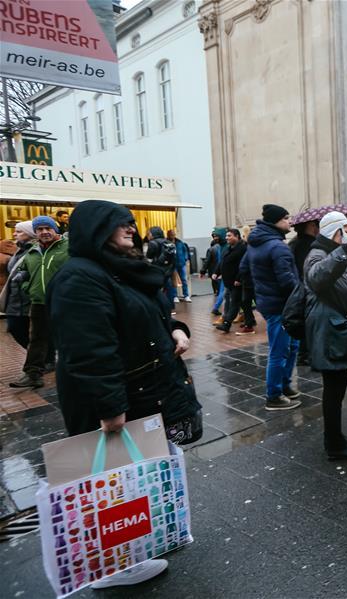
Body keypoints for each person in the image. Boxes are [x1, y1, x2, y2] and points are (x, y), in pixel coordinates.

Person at [46, 199, 202, 590]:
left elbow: (150, 314)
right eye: (120, 224)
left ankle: (135, 547)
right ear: (96, 230)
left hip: (146, 390)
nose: (130, 229)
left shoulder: (121, 270)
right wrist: (111, 407)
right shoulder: (80, 277)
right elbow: (89, 350)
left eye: (131, 223)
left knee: (134, 478)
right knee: (108, 483)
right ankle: (109, 567)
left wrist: (176, 329)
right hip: (118, 398)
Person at [304, 211, 347, 460]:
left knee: (337, 389)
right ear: (336, 233)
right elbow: (318, 277)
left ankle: (337, 436)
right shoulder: (318, 254)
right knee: (333, 391)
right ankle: (334, 444)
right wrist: (342, 253)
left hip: (338, 329)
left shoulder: (332, 253)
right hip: (329, 332)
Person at [244, 204, 302, 410]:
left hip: (269, 303)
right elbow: (287, 281)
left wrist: (259, 290)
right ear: (275, 221)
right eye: (286, 218)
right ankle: (274, 395)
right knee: (279, 351)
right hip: (281, 306)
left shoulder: (256, 242)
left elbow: (244, 270)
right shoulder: (277, 246)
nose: (290, 221)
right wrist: (300, 298)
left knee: (292, 346)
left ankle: (284, 386)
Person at [9, 216, 69, 389]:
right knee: (36, 339)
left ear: (55, 229)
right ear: (35, 232)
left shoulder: (68, 248)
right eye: (39, 229)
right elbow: (23, 272)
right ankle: (33, 374)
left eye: (47, 228)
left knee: (70, 336)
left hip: (64, 301)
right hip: (39, 302)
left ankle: (80, 372)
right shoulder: (33, 251)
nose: (44, 232)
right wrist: (28, 287)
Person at [1, 222, 35, 349]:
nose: (14, 234)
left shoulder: (36, 250)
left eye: (19, 231)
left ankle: (43, 360)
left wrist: (24, 280)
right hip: (14, 300)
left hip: (28, 300)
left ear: (30, 233)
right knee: (16, 330)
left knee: (33, 334)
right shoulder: (18, 250)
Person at [290, 219, 319, 364]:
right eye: (315, 224)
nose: (317, 227)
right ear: (309, 226)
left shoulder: (295, 242)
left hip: (299, 287)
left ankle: (304, 353)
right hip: (305, 287)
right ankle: (304, 355)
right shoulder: (307, 244)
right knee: (307, 320)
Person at [215, 228, 249, 333]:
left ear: (237, 236)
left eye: (229, 236)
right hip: (228, 282)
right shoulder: (228, 248)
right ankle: (250, 321)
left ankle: (226, 324)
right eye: (226, 236)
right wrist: (216, 272)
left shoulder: (243, 248)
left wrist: (238, 279)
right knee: (243, 303)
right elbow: (222, 262)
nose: (226, 238)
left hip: (237, 282)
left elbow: (244, 265)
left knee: (234, 303)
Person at [146, 227, 177, 306]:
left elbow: (149, 257)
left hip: (157, 270)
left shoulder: (152, 243)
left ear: (153, 234)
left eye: (149, 233)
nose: (148, 235)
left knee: (157, 290)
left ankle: (160, 306)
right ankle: (170, 306)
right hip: (168, 270)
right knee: (169, 289)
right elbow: (174, 258)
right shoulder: (169, 242)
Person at [201, 228, 226, 303]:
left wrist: (203, 271)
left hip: (214, 271)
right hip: (221, 271)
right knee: (223, 290)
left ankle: (216, 296)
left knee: (220, 289)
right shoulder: (223, 247)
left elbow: (207, 261)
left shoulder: (211, 249)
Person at [166, 229, 191, 302]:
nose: (173, 235)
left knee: (184, 280)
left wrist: (185, 258)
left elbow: (185, 250)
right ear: (168, 235)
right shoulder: (166, 242)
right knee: (174, 281)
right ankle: (175, 296)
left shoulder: (180, 242)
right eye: (171, 234)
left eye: (173, 234)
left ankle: (186, 295)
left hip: (181, 263)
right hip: (172, 264)